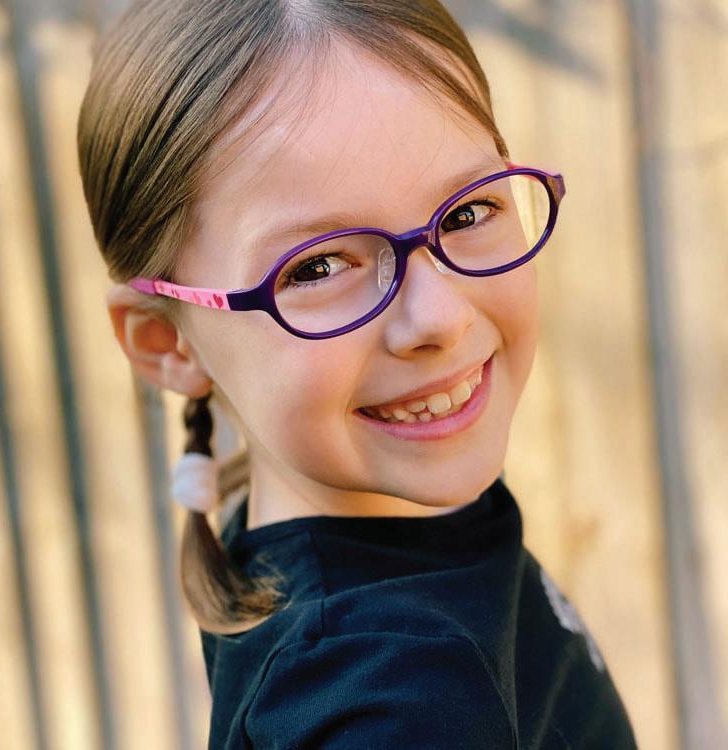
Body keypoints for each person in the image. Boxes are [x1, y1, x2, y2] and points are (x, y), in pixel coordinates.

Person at [77, 0, 639, 747]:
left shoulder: (329, 540)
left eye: (467, 212)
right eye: (317, 266)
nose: (440, 317)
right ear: (168, 342)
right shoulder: (399, 708)